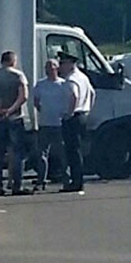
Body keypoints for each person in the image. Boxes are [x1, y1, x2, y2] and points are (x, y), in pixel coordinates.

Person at [0, 51, 32, 196]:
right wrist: (11, 110)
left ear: (2, 61)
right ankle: (16, 186)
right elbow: (24, 96)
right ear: (13, 61)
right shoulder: (18, 76)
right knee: (16, 154)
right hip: (14, 119)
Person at [59, 50, 95, 193]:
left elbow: (74, 95)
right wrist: (88, 108)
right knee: (77, 149)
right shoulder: (83, 77)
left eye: (63, 63)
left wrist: (69, 113)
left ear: (71, 64)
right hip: (83, 115)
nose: (61, 66)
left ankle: (76, 182)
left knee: (72, 150)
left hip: (73, 117)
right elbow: (92, 93)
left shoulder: (71, 79)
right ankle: (78, 180)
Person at [31, 58, 70, 191]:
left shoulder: (63, 84)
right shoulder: (40, 84)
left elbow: (70, 99)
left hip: (59, 124)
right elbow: (36, 101)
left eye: (52, 67)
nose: (50, 69)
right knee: (42, 154)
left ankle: (66, 179)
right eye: (47, 67)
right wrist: (42, 111)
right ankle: (41, 180)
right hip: (45, 124)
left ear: (57, 68)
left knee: (62, 154)